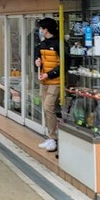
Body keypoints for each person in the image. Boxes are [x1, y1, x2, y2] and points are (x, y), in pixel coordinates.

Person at [34, 18, 61, 153]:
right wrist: (37, 63)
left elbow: (63, 64)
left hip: (56, 81)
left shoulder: (59, 44)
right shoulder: (41, 44)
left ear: (46, 29)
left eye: (41, 28)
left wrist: (49, 74)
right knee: (45, 108)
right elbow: (38, 60)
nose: (40, 31)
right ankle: (50, 137)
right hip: (44, 81)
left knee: (48, 107)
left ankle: (53, 138)